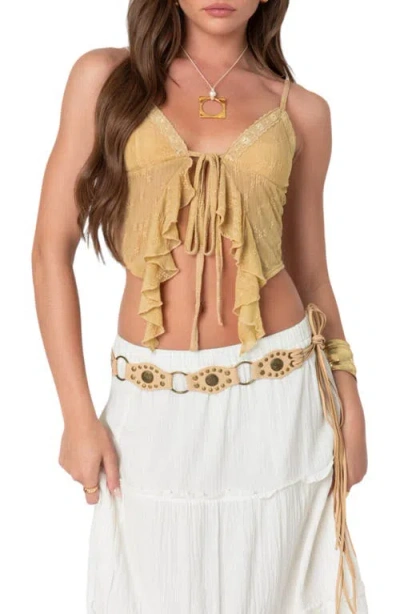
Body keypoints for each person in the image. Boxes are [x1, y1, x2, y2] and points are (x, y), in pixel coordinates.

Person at [31, 1, 369, 612]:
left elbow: (313, 277)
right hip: (150, 397)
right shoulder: (104, 79)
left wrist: (350, 401)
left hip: (281, 395)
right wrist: (77, 416)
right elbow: (50, 251)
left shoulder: (302, 111)